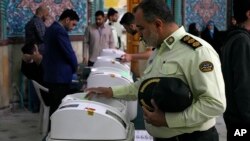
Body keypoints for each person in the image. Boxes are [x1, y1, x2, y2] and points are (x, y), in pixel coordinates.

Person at [86, 0, 226, 141]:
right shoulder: (159, 49)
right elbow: (145, 86)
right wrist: (111, 91)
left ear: (158, 24)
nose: (139, 34)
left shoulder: (197, 52)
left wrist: (168, 120)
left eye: (141, 28)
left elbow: (214, 104)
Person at [221, 1, 250, 141]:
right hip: (242, 121)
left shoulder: (234, 38)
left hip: (236, 120)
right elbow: (243, 85)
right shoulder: (242, 41)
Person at [42, 9, 79, 116]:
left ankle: (52, 131)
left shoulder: (51, 28)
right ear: (67, 20)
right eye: (73, 24)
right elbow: (69, 53)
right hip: (59, 78)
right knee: (58, 110)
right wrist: (75, 67)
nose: (73, 28)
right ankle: (54, 131)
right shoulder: (60, 31)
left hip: (51, 75)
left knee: (55, 108)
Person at [22, 6, 49, 112]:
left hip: (30, 55)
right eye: (46, 15)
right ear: (41, 13)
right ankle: (37, 106)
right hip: (36, 57)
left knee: (34, 81)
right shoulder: (37, 22)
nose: (46, 18)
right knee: (38, 81)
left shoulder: (30, 22)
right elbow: (44, 37)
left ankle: (34, 106)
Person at [119, 12, 153, 76]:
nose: (127, 31)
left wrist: (131, 56)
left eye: (126, 28)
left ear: (131, 26)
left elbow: (150, 53)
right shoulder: (141, 35)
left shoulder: (146, 34)